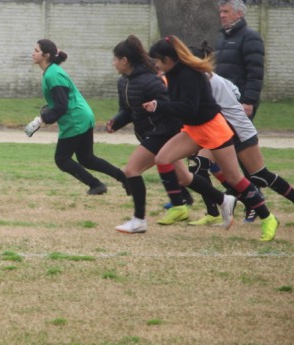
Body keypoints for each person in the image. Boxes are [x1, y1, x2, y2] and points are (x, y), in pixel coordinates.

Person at [144, 36, 278, 241]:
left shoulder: (189, 74)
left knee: (235, 178)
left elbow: (188, 108)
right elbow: (183, 108)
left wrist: (159, 106)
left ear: (169, 60)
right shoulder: (174, 74)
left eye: (158, 61)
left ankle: (268, 218)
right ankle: (180, 206)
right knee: (162, 159)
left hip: (213, 129)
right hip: (194, 129)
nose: (156, 65)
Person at [182, 42, 292, 229]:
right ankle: (215, 212)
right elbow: (235, 91)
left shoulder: (208, 81)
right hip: (219, 132)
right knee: (198, 165)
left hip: (239, 132)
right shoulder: (209, 79)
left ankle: (251, 205)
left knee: (260, 176)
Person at [106, 36, 195, 234]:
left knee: (131, 170)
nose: (113, 63)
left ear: (124, 61)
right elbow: (128, 111)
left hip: (162, 134)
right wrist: (116, 122)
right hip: (151, 135)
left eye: (115, 59)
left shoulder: (151, 81)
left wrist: (162, 135)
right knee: (184, 178)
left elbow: (170, 108)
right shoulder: (123, 83)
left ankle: (139, 220)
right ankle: (223, 200)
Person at [25, 39, 127, 195]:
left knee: (62, 159)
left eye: (36, 50)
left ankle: (96, 184)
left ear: (46, 55)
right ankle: (125, 179)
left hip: (76, 120)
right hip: (82, 116)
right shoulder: (52, 71)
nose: (33, 53)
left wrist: (42, 120)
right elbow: (58, 103)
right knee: (87, 159)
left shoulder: (52, 74)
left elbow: (61, 106)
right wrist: (44, 115)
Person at [214, 0, 264, 120]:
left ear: (239, 14)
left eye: (226, 11)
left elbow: (255, 72)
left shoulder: (250, 37)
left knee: (240, 139)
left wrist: (249, 101)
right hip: (220, 99)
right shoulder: (221, 39)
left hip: (239, 101)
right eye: (220, 11)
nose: (222, 15)